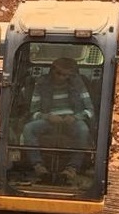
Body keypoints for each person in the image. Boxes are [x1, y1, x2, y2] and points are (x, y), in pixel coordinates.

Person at [20, 56, 95, 184]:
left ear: (71, 75)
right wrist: (47, 117)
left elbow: (90, 111)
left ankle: (72, 168)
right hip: (48, 120)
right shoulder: (41, 84)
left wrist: (75, 117)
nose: (60, 77)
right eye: (58, 73)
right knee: (28, 128)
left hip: (73, 120)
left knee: (83, 129)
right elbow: (33, 112)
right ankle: (38, 166)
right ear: (52, 71)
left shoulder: (79, 86)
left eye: (65, 75)